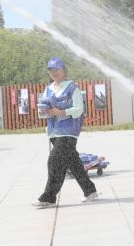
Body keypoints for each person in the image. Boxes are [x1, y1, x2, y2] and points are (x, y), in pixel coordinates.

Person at [33, 57, 99, 208]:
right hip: (53, 131)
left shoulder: (72, 88)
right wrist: (44, 111)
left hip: (68, 132)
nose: (53, 72)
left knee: (54, 161)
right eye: (50, 70)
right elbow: (45, 107)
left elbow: (79, 109)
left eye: (56, 69)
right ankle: (90, 190)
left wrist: (61, 112)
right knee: (73, 163)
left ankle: (48, 197)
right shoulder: (48, 88)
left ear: (64, 70)